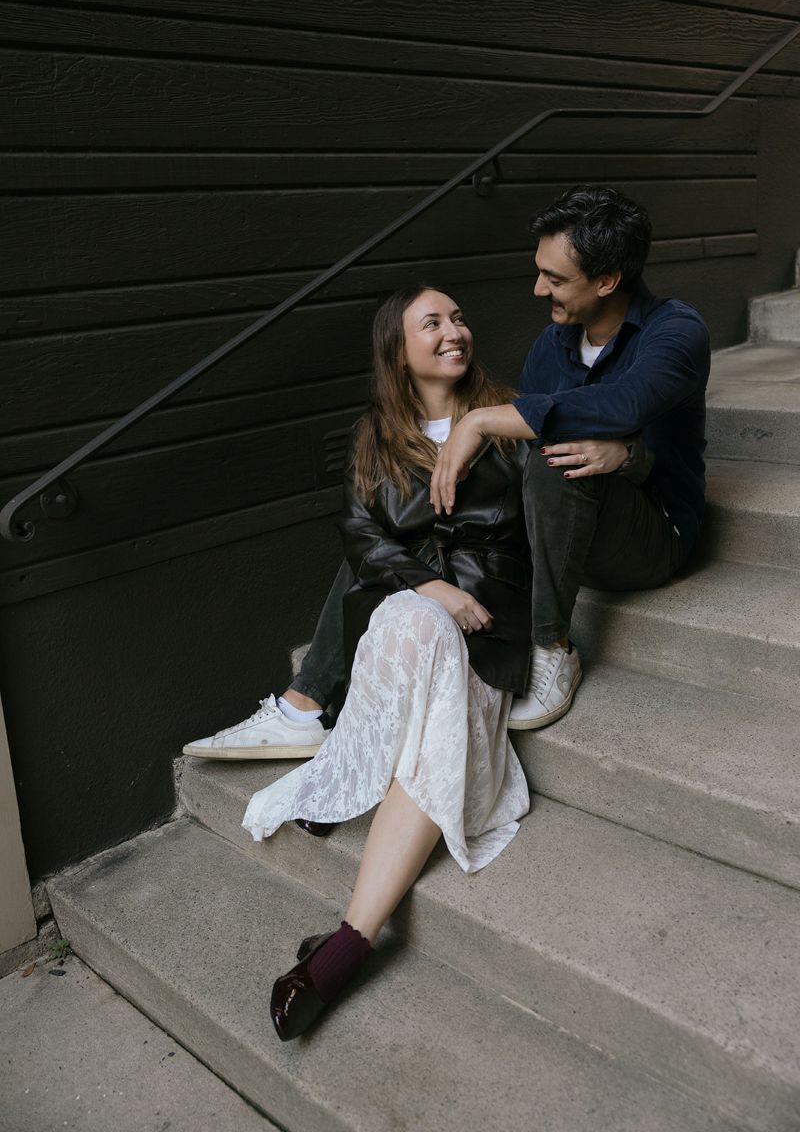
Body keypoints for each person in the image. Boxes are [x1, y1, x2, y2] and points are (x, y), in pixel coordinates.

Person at [183, 184, 709, 758]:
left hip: (649, 532)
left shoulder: (675, 330)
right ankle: (304, 706)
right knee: (400, 525)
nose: (538, 289)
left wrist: (614, 453)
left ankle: (552, 647)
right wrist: (428, 578)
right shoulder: (550, 347)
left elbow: (627, 404)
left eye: (554, 279)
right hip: (558, 535)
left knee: (553, 458)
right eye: (540, 271)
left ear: (607, 280)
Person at [239, 285, 533, 1040]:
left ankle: (344, 944)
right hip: (418, 617)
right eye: (430, 323)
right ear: (398, 351)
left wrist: (460, 596)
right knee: (410, 616)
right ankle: (350, 939)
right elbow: (361, 534)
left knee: (418, 629)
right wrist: (431, 586)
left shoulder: (507, 415)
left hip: (486, 627)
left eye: (460, 317)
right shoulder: (375, 433)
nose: (454, 331)